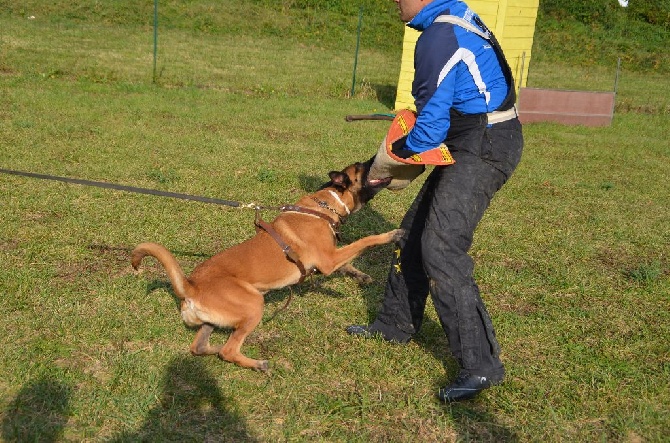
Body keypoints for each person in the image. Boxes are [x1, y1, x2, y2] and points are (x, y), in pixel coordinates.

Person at [347, 0, 523, 402]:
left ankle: (480, 367)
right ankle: (394, 324)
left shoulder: (438, 36)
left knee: (440, 246)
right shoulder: (450, 20)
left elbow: (427, 133)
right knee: (411, 234)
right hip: (474, 134)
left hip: (486, 143)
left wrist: (389, 160)